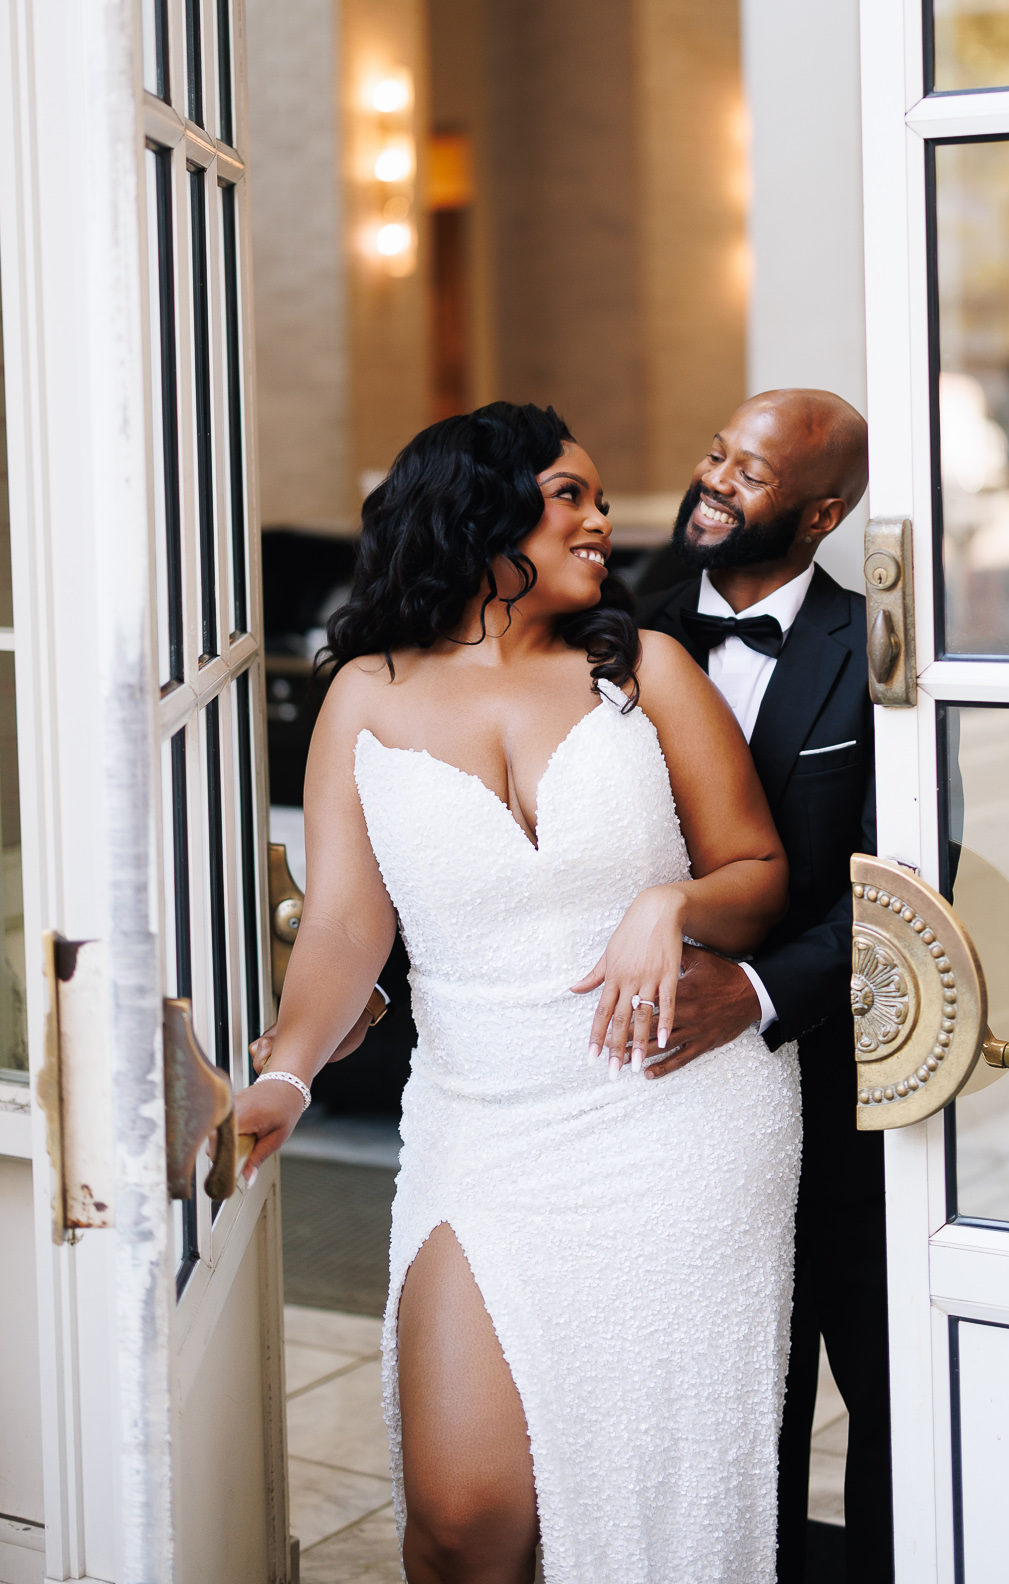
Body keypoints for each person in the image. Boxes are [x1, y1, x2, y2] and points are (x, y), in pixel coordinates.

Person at [235, 402, 802, 1584]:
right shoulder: (366, 693)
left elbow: (757, 874)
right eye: (568, 495)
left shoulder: (644, 668)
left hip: (675, 1108)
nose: (600, 519)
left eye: (599, 498)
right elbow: (344, 923)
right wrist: (287, 1070)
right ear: (477, 511)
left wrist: (670, 903)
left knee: (647, 1481)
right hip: (482, 1117)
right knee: (462, 1515)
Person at [639, 389, 892, 1584]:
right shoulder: (616, 632)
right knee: (734, 1395)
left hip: (835, 1081)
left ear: (822, 514)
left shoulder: (874, 648)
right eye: (714, 454)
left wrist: (756, 991)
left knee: (881, 1386)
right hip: (660, 1092)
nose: (713, 480)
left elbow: (904, 882)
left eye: (749, 472)